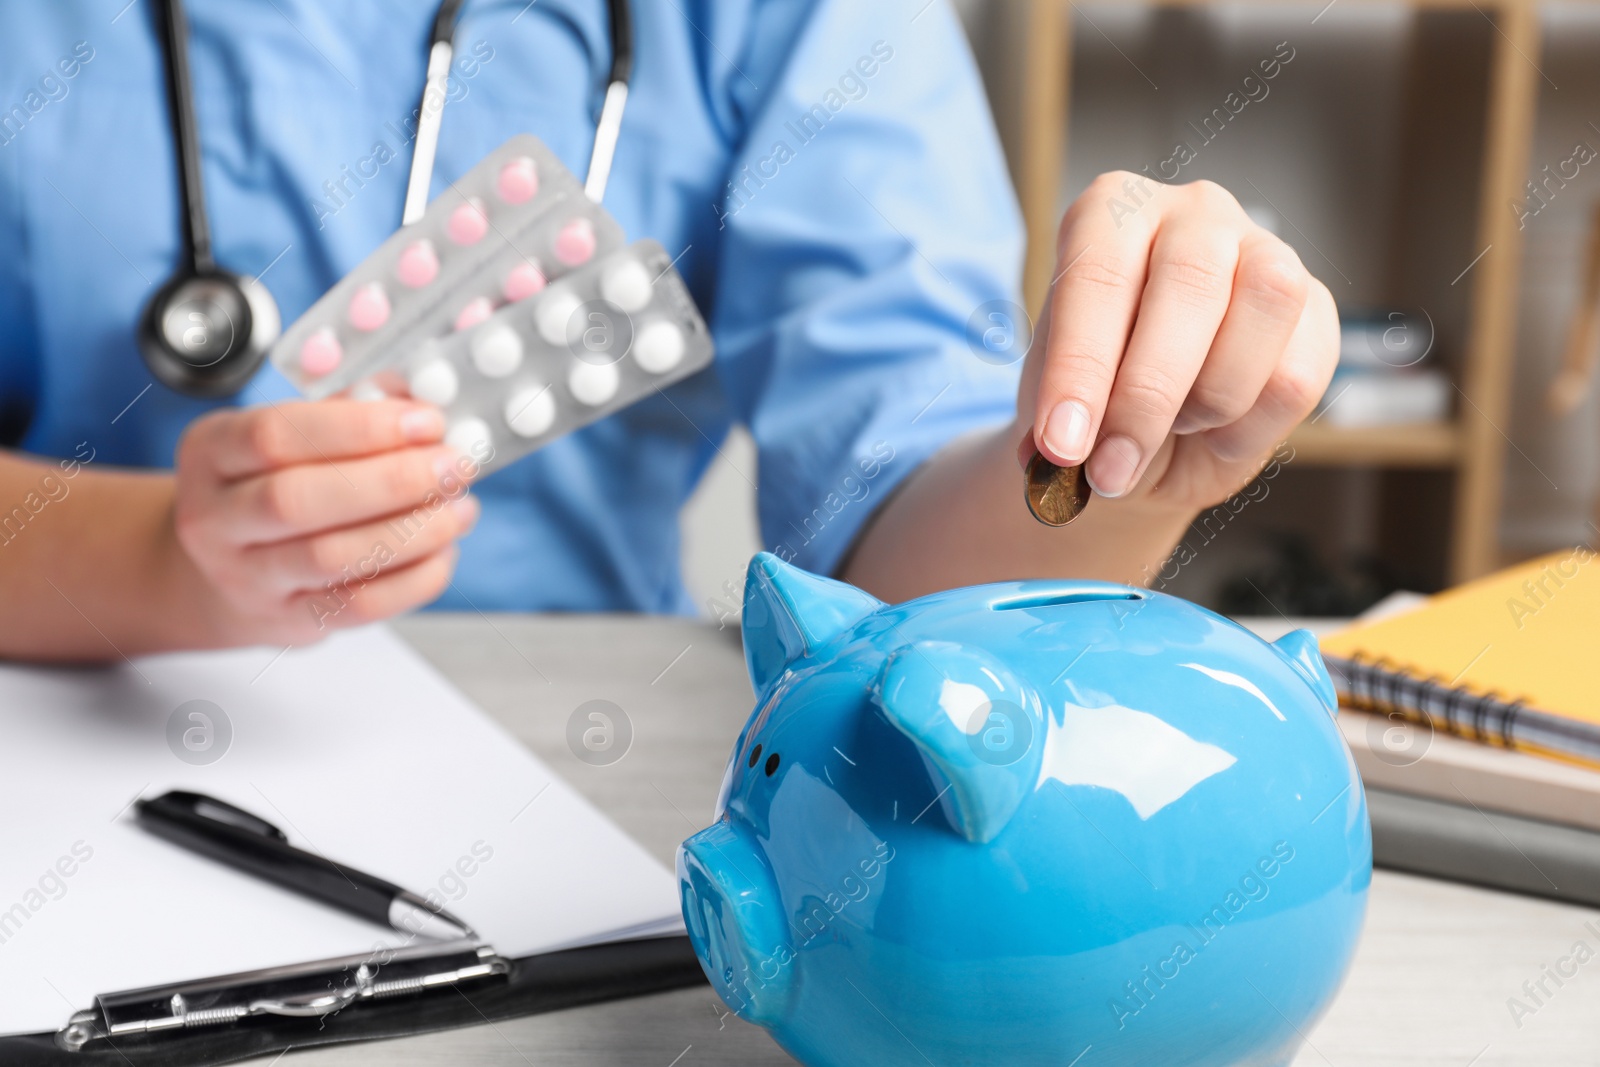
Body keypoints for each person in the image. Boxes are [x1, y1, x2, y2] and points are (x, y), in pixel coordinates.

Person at [0, 0, 1334, 660]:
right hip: (71, 726)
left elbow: (909, 587)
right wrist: (174, 567)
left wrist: (1119, 460)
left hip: (577, 773)